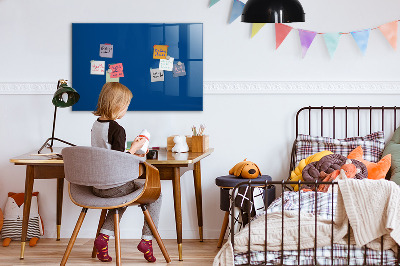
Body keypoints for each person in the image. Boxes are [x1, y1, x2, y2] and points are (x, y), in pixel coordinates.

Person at [91, 82, 161, 263]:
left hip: (97, 186)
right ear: (117, 105)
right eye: (126, 105)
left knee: (121, 197)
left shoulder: (96, 125)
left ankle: (103, 238)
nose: (126, 110)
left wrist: (130, 149)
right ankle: (147, 240)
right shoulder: (117, 129)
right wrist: (136, 148)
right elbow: (119, 161)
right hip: (114, 186)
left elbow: (108, 154)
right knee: (156, 194)